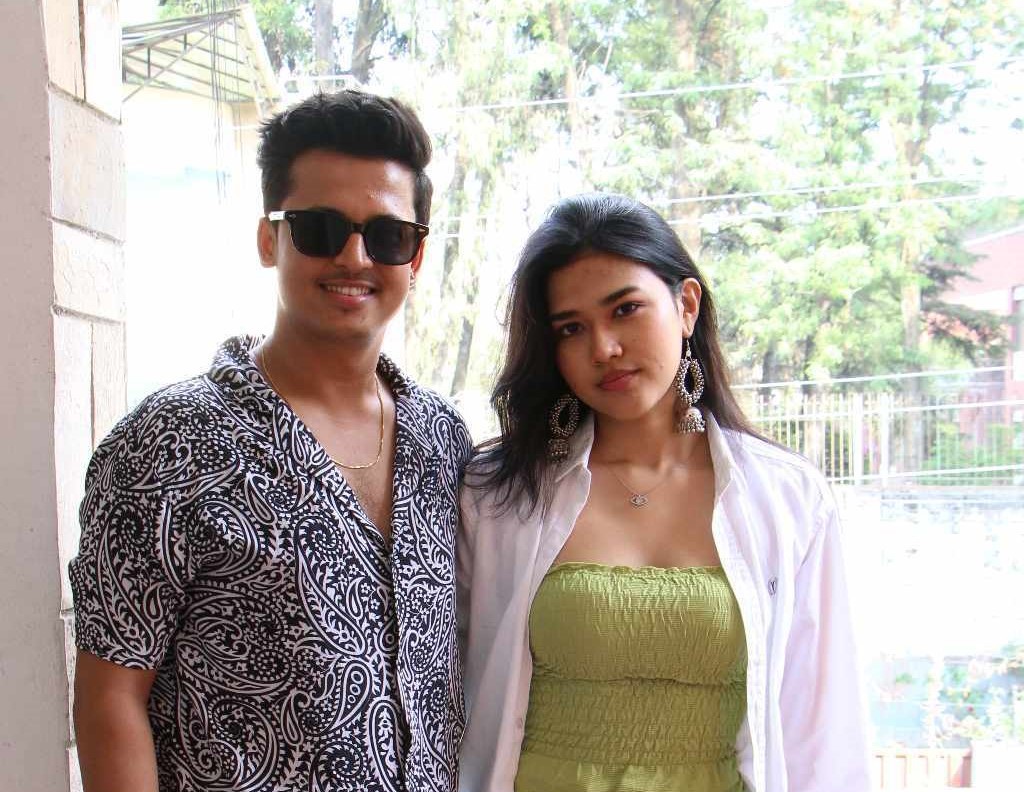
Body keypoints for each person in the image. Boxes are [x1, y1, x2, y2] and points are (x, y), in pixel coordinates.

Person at [69, 90, 471, 792]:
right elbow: (111, 697)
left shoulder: (444, 440)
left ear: (416, 256)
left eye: (387, 235)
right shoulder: (169, 442)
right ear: (268, 240)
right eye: (320, 229)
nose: (354, 256)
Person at [457, 193, 871, 792]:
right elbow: (441, 694)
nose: (603, 348)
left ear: (686, 305)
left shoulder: (787, 499)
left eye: (625, 309)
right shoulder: (498, 496)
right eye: (572, 328)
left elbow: (823, 732)